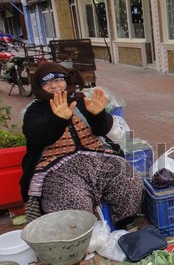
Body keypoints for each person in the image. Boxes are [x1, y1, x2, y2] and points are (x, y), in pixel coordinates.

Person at [20, 62, 143, 230]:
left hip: (98, 157)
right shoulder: (35, 111)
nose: (54, 86)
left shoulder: (81, 101)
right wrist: (58, 120)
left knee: (128, 178)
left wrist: (98, 115)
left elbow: (102, 130)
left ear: (66, 80)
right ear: (39, 86)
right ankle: (84, 234)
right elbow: (39, 137)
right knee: (71, 199)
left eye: (58, 80)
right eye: (47, 82)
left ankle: (124, 221)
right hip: (58, 167)